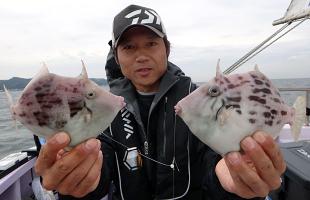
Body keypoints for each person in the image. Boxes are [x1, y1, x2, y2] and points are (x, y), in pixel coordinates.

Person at [35, 4, 286, 200]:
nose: (141, 56)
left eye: (152, 44)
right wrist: (78, 182)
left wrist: (232, 182)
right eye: (130, 47)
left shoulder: (194, 101)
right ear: (116, 55)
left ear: (166, 48)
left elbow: (216, 158)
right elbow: (101, 168)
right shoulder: (106, 106)